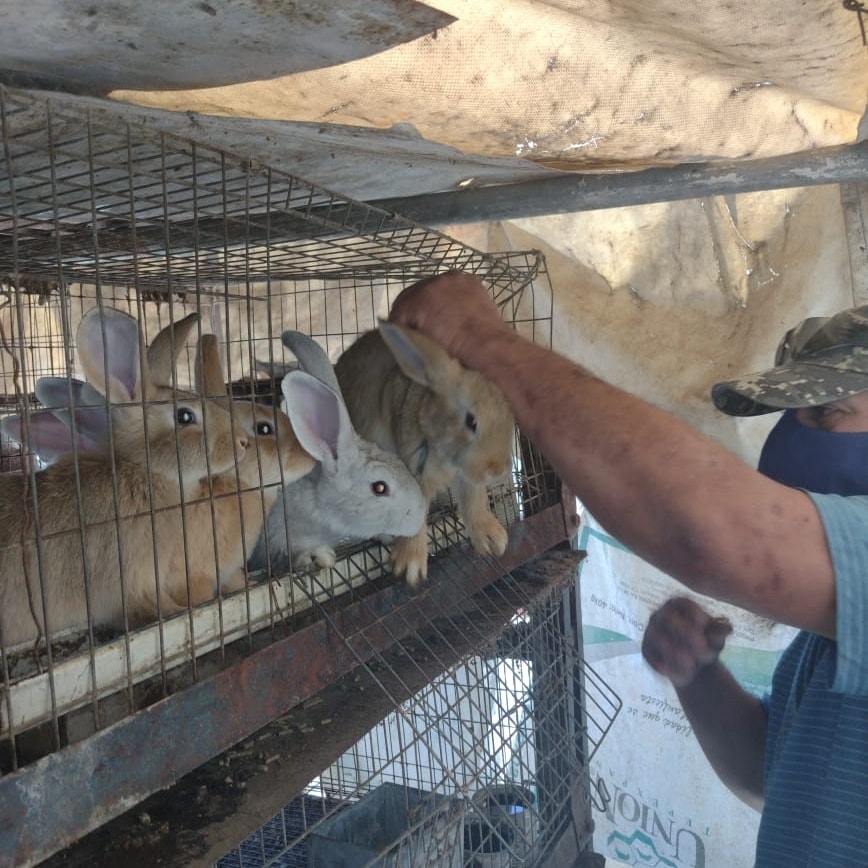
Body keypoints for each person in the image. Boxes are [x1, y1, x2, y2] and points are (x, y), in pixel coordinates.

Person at [388, 271, 868, 867]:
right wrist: (699, 678)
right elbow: (772, 778)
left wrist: (480, 340)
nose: (794, 439)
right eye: (788, 416)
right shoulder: (825, 641)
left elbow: (710, 533)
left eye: (827, 412)